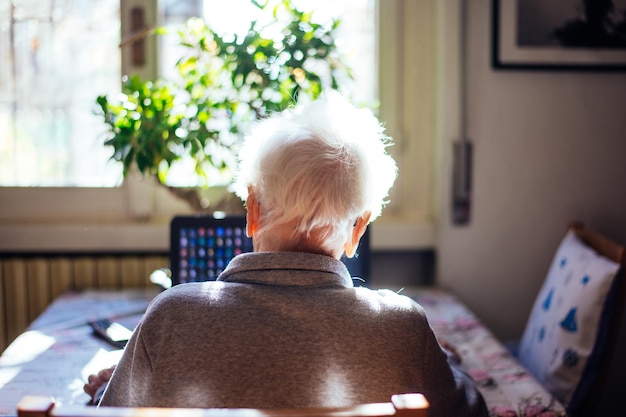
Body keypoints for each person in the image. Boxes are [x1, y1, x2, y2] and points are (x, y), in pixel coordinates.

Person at [91, 92, 488, 417]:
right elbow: (470, 412)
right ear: (358, 230)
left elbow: (111, 414)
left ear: (252, 211)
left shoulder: (170, 316)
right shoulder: (404, 327)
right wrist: (443, 364)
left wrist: (122, 376)